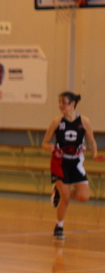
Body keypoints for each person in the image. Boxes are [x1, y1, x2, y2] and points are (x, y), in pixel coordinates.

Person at [42, 91, 102, 239]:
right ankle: (59, 226)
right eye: (59, 102)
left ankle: (59, 193)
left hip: (76, 162)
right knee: (66, 198)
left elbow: (92, 141)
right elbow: (45, 142)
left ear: (73, 104)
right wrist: (49, 147)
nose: (60, 105)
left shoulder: (84, 121)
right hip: (60, 162)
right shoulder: (56, 122)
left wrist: (94, 155)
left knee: (84, 196)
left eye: (64, 102)